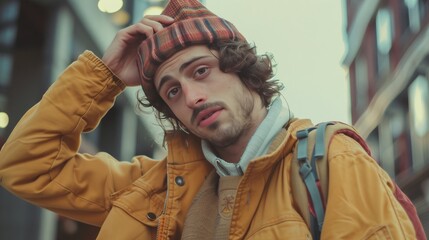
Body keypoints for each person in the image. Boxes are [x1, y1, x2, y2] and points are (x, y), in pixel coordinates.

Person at [0, 0, 423, 239]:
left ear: (242, 67)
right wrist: (104, 75)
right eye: (172, 91)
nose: (192, 96)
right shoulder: (156, 190)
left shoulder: (328, 160)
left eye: (201, 71)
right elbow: (28, 166)